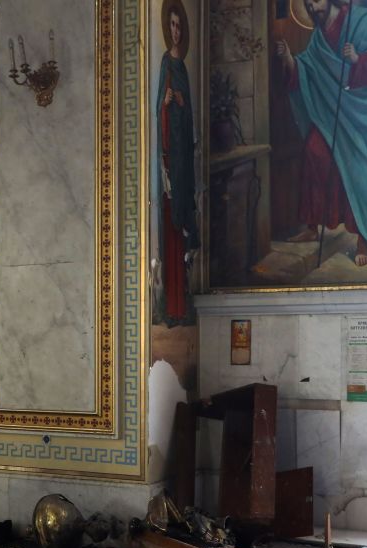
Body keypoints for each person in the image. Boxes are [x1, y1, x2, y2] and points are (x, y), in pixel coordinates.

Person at [274, 0, 367, 269]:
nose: (311, 5)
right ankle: (313, 224)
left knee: (358, 174)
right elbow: (308, 69)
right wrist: (288, 58)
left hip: (359, 116)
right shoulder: (318, 35)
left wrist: (358, 59)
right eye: (307, 2)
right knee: (313, 149)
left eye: (316, 0)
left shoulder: (359, 22)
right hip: (330, 114)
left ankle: (364, 239)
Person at [156, 0, 198, 326]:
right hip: (170, 157)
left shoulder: (181, 67)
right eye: (171, 25)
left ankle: (183, 304)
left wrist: (181, 102)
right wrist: (167, 104)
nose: (175, 30)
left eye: (178, 26)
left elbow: (189, 114)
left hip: (184, 156)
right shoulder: (164, 65)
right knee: (172, 226)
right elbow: (160, 106)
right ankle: (171, 306)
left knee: (185, 226)